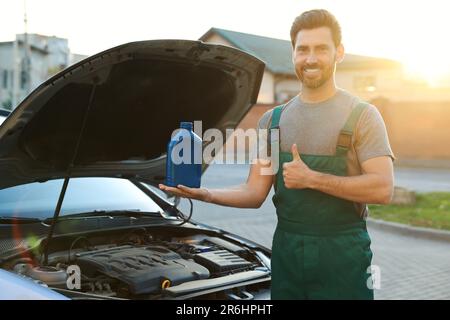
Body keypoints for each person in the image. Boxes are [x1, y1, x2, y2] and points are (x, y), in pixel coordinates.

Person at [159, 9, 395, 300]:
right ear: (293, 54)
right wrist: (205, 194)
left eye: (321, 49)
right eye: (303, 49)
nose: (310, 58)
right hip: (287, 254)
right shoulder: (272, 121)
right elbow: (254, 192)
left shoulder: (363, 116)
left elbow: (383, 188)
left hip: (342, 254)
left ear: (339, 53)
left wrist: (313, 179)